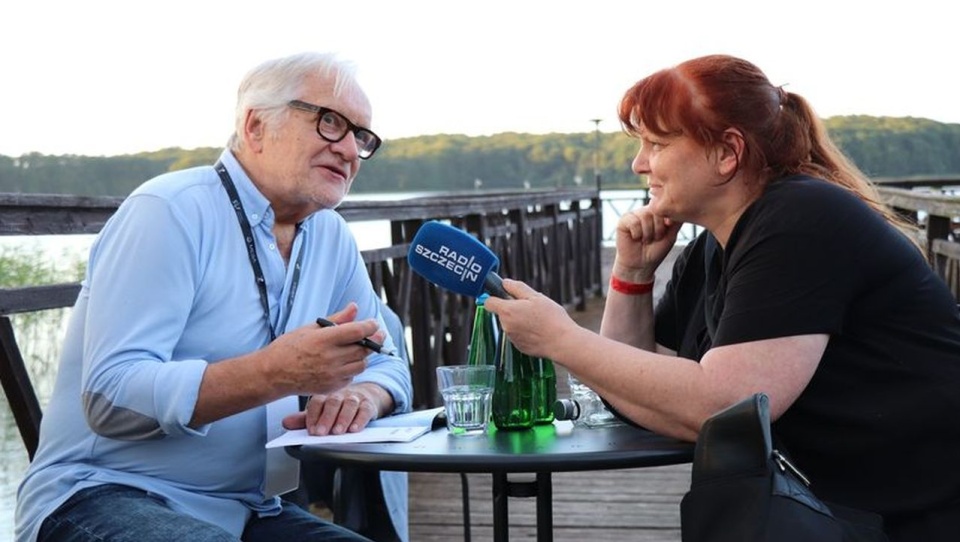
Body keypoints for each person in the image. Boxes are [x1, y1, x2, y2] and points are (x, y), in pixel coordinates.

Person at [484, 54, 960, 541]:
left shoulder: (802, 219)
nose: (639, 162)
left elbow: (727, 403)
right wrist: (632, 275)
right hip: (836, 510)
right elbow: (632, 384)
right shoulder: (714, 245)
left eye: (657, 142)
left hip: (916, 515)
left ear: (727, 152)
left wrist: (560, 339)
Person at [15, 52, 413, 542]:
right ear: (255, 126)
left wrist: (365, 395)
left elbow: (388, 362)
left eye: (362, 137)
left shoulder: (330, 236)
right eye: (330, 123)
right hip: (104, 494)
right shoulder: (168, 211)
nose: (350, 149)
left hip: (248, 508)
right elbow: (110, 397)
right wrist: (275, 372)